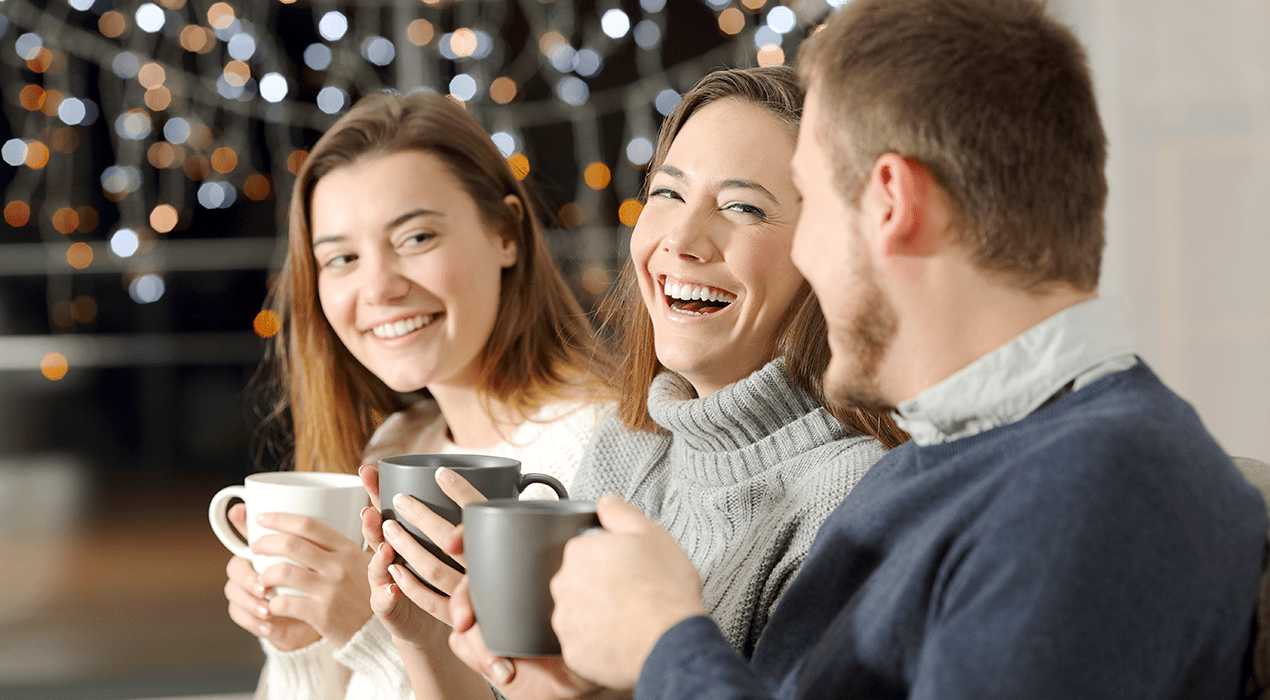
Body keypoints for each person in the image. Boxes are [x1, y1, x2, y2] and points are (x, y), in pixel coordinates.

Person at [448, 1, 1270, 699]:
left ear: (891, 204)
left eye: (808, 209)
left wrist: (666, 642)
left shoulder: (1100, 493)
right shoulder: (951, 465)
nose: (804, 260)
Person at [367, 66, 906, 698]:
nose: (681, 239)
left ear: (829, 251)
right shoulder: (631, 448)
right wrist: (429, 638)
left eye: (743, 207)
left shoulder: (851, 494)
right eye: (669, 195)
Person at [221, 90, 614, 700]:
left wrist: (372, 630)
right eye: (342, 257)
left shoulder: (603, 448)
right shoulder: (398, 445)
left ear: (506, 233)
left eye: (416, 238)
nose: (378, 287)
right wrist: (300, 640)